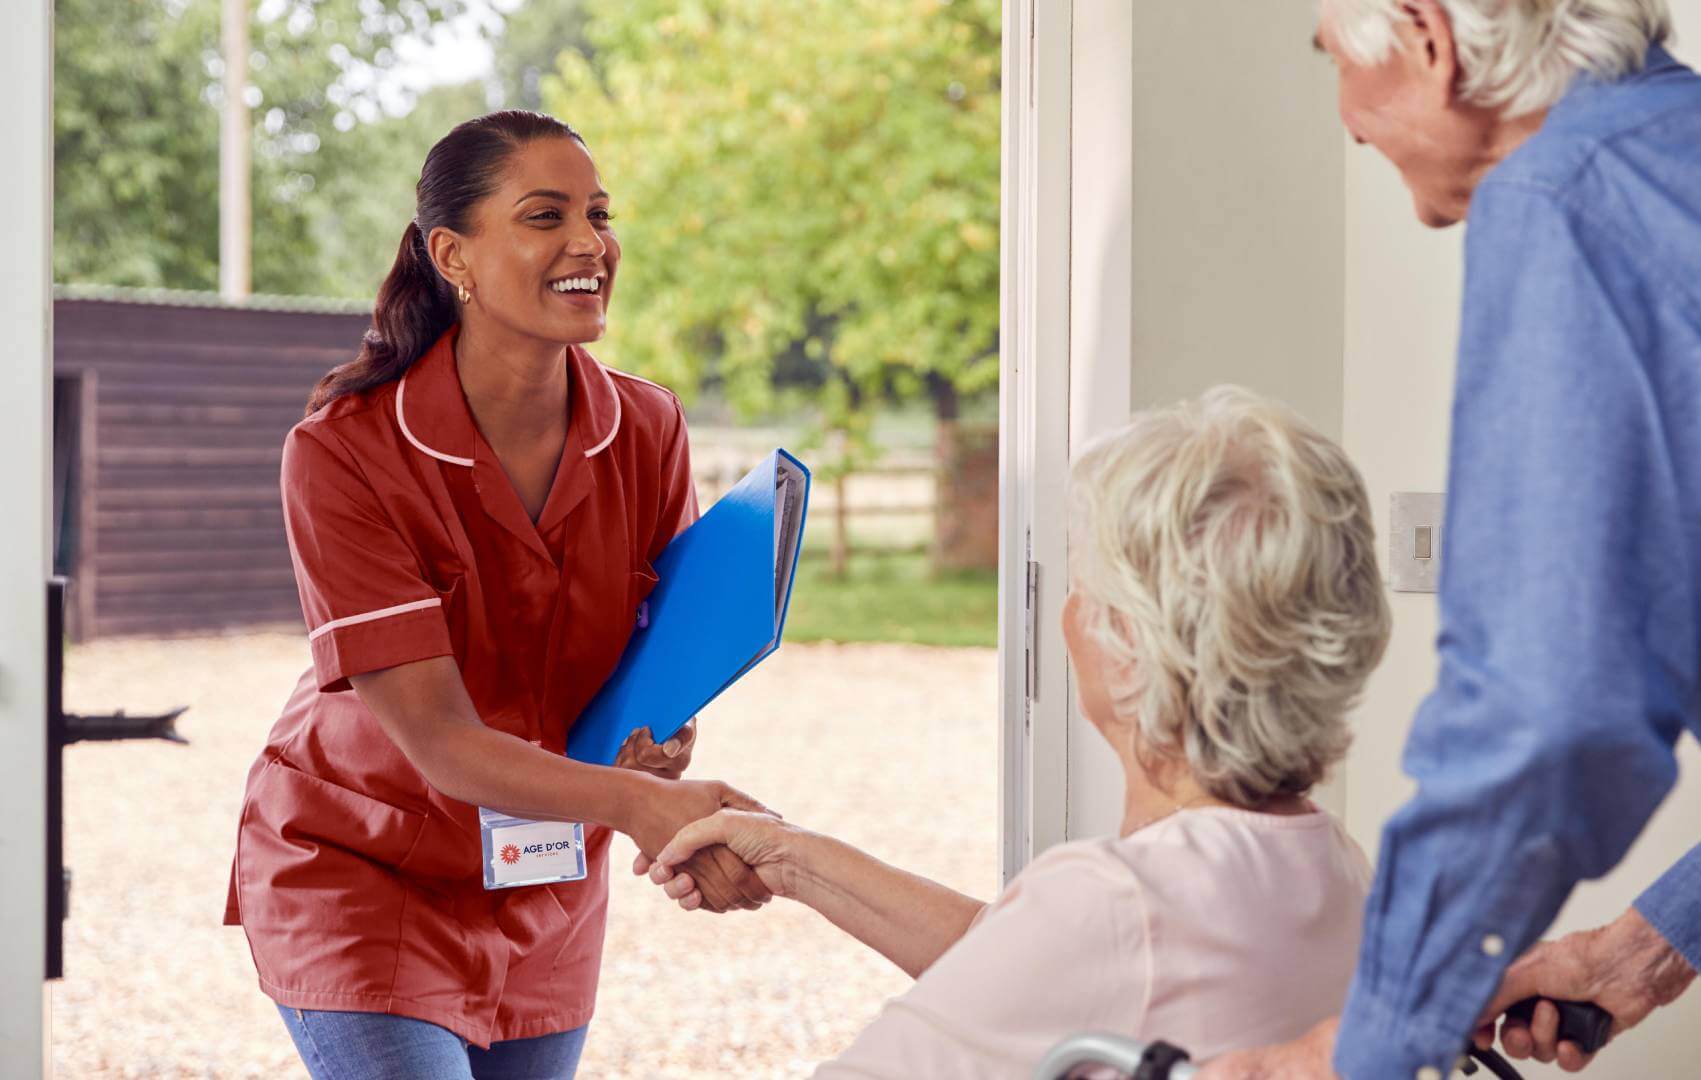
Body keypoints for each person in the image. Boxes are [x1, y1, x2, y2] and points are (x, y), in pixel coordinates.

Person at [1197, 2, 1701, 1077]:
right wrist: (1640, 954)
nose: (1348, 124)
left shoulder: (1565, 197)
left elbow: (1543, 709)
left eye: (1334, 66)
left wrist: (1354, 1054)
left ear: (1425, 38)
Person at [223, 111, 775, 1080]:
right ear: (455, 255)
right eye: (544, 215)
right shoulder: (344, 451)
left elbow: (651, 668)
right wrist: (642, 807)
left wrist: (660, 748)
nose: (590, 244)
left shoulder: (646, 427)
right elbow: (439, 741)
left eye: (599, 215)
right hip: (366, 872)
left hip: (544, 890)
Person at [642, 387, 1391, 1077]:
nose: (1068, 611)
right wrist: (792, 858)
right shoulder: (1336, 868)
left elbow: (1063, 959)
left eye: (1083, 583)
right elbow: (1029, 970)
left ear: (1130, 645)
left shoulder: (1116, 903)